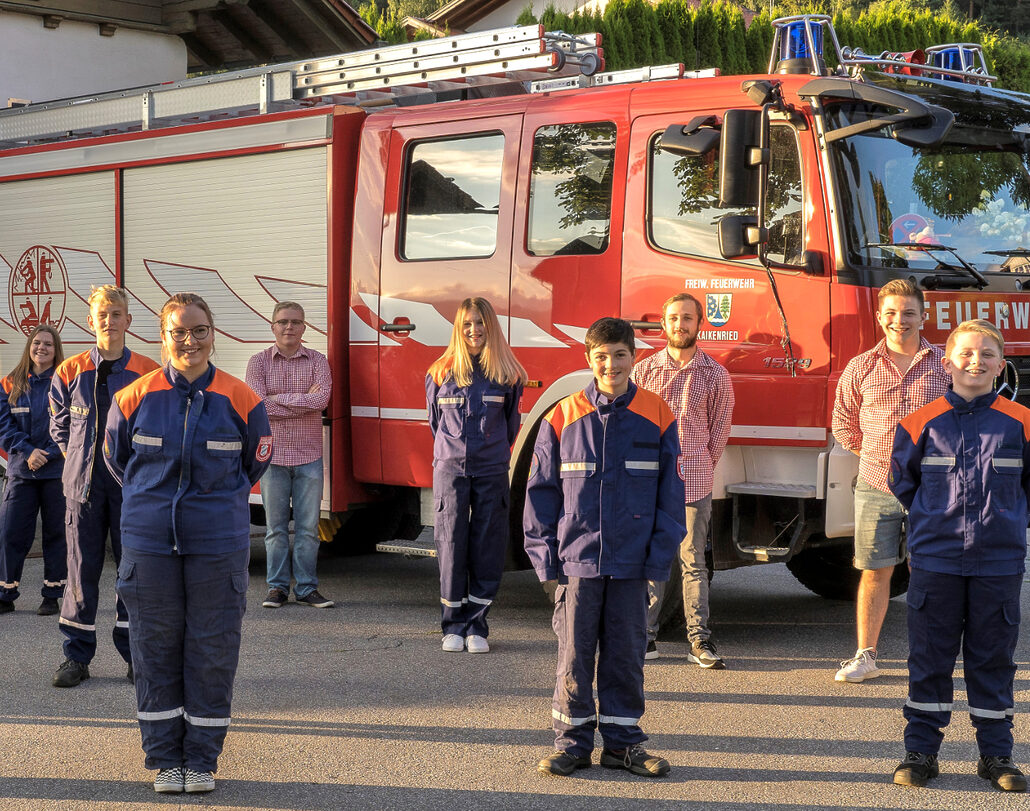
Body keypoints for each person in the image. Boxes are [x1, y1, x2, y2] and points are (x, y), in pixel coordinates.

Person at [105, 293, 272, 794]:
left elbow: (254, 463)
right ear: (163, 336)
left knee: (212, 649)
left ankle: (200, 759)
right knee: (153, 650)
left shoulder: (243, 400)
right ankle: (164, 760)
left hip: (217, 544)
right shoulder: (132, 397)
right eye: (179, 331)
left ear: (212, 334)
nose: (190, 341)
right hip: (149, 545)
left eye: (199, 331)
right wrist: (151, 505)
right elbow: (117, 461)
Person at [525, 317, 683, 778]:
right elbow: (540, 494)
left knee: (625, 656)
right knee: (574, 657)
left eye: (619, 355)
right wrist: (546, 563)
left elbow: (671, 497)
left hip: (632, 563)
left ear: (634, 357)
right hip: (578, 562)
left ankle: (623, 745)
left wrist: (658, 560)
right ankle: (572, 745)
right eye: (601, 356)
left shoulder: (657, 414)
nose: (610, 365)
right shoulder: (562, 415)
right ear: (588, 359)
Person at [889, 319, 1028, 793]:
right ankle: (920, 753)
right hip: (937, 561)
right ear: (946, 362)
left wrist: (1009, 522)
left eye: (987, 354)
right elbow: (903, 482)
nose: (976, 362)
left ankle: (997, 756)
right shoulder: (919, 422)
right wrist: (933, 522)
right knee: (929, 659)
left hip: (998, 564)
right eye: (966, 353)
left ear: (1001, 364)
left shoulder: (1022, 422)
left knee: (993, 661)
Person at [830, 279, 949, 683]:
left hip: (931, 488)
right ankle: (865, 657)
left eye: (909, 312)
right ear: (879, 316)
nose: (901, 320)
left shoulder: (944, 365)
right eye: (892, 313)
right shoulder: (860, 367)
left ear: (923, 316)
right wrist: (880, 458)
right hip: (875, 484)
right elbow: (843, 423)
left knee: (928, 571)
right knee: (874, 570)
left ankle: (931, 659)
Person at [49, 285, 159, 688]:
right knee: (80, 571)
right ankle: (76, 656)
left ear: (128, 320)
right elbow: (59, 426)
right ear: (90, 321)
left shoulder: (148, 371)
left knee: (134, 572)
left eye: (116, 314)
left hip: (132, 490)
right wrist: (79, 462)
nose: (109, 321)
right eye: (102, 315)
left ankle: (135, 656)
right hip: (82, 491)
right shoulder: (69, 370)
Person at [632, 293, 734, 667]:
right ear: (663, 324)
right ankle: (645, 639)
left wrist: (700, 466)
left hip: (694, 482)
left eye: (688, 318)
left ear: (699, 324)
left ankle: (699, 642)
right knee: (653, 559)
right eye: (674, 318)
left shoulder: (715, 375)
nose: (681, 324)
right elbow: (634, 426)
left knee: (693, 562)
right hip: (652, 484)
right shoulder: (644, 372)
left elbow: (718, 433)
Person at [425, 297, 526, 653]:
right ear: (458, 327)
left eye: (480, 323)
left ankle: (477, 626)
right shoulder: (440, 372)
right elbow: (435, 423)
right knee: (451, 544)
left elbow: (511, 426)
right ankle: (452, 625)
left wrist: (489, 451)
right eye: (467, 323)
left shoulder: (509, 374)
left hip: (491, 469)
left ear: (491, 326)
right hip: (450, 471)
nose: (474, 330)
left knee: (487, 545)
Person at [246, 301, 333, 609]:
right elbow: (258, 404)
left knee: (308, 530)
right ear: (273, 326)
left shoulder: (318, 360)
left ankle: (307, 588)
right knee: (275, 530)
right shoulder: (258, 362)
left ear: (304, 327)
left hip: (309, 456)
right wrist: (301, 402)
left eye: (295, 322)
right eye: (283, 321)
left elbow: (322, 400)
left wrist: (277, 400)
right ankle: (277, 588)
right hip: (274, 458)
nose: (289, 327)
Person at [0, 326, 66, 616]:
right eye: (37, 342)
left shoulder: (66, 382)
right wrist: (28, 451)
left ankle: (52, 594)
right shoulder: (10, 383)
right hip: (21, 473)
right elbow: (3, 425)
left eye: (48, 344)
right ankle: (5, 593)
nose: (42, 348)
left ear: (56, 349)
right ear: (29, 346)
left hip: (56, 472)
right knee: (10, 532)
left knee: (56, 534)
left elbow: (71, 425)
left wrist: (47, 453)